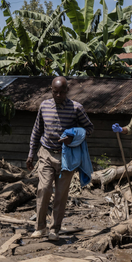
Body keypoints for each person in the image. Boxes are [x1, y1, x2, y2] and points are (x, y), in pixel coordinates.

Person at [26, 77, 94, 240]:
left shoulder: (76, 108)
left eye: (61, 92)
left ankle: (54, 229)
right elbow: (37, 130)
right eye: (55, 92)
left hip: (67, 157)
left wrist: (74, 138)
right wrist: (30, 153)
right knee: (44, 189)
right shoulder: (44, 106)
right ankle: (40, 227)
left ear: (67, 91)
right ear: (51, 90)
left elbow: (89, 128)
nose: (58, 95)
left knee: (61, 194)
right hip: (46, 153)